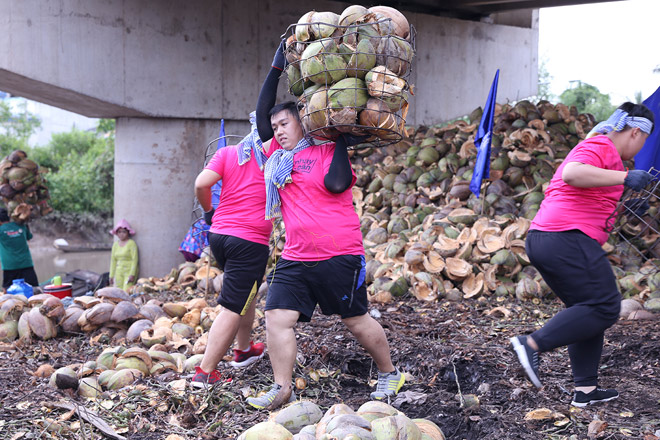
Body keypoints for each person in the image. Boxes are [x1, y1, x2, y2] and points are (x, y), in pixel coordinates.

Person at [245, 42, 404, 410]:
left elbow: (335, 184)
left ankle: (389, 372)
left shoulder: (326, 149)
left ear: (304, 120)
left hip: (339, 253)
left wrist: (340, 140)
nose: (278, 131)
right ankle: (283, 388)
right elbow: (261, 110)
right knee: (276, 317)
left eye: (284, 123)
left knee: (356, 320)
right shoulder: (278, 158)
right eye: (274, 127)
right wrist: (275, 68)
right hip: (296, 256)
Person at [510, 102, 655, 407]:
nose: (642, 147)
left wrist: (628, 198)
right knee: (605, 306)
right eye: (644, 139)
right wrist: (624, 180)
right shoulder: (600, 145)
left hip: (548, 238)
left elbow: (591, 195)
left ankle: (585, 390)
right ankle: (531, 344)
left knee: (588, 310)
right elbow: (573, 174)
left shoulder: (613, 160)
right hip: (565, 236)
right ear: (634, 132)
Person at [190, 113, 273, 387]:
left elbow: (202, 184)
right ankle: (205, 372)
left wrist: (209, 212)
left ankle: (244, 350)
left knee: (245, 296)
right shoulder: (277, 155)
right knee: (232, 306)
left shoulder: (228, 152)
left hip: (220, 236)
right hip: (249, 241)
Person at [0, 208, 38, 288]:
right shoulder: (22, 226)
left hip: (9, 266)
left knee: (8, 291)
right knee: (34, 288)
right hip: (26, 264)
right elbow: (29, 237)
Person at [109, 219, 139, 291]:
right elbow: (113, 261)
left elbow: (135, 260)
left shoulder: (131, 244)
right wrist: (111, 275)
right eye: (119, 232)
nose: (121, 234)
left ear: (128, 232)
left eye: (124, 232)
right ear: (116, 233)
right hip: (119, 271)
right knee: (118, 292)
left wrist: (132, 274)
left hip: (129, 271)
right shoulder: (115, 245)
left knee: (126, 291)